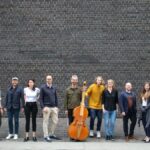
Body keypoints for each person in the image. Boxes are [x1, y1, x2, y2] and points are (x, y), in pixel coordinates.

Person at [40, 75, 60, 142]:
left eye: (50, 79)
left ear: (52, 80)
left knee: (55, 121)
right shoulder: (43, 88)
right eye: (48, 79)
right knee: (45, 122)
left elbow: (56, 97)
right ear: (46, 80)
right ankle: (46, 136)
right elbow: (41, 99)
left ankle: (51, 134)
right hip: (46, 107)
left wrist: (57, 107)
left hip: (54, 107)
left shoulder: (54, 87)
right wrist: (43, 107)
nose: (49, 80)